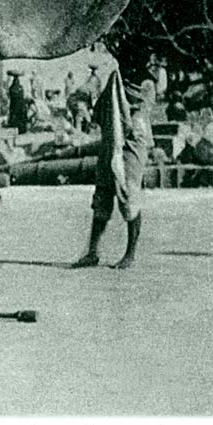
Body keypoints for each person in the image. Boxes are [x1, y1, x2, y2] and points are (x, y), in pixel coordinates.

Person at [70, 60, 156, 270]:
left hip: (132, 145)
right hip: (111, 142)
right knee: (102, 195)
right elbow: (101, 108)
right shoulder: (115, 79)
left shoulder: (146, 84)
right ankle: (92, 251)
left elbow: (135, 114)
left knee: (129, 195)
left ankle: (130, 253)